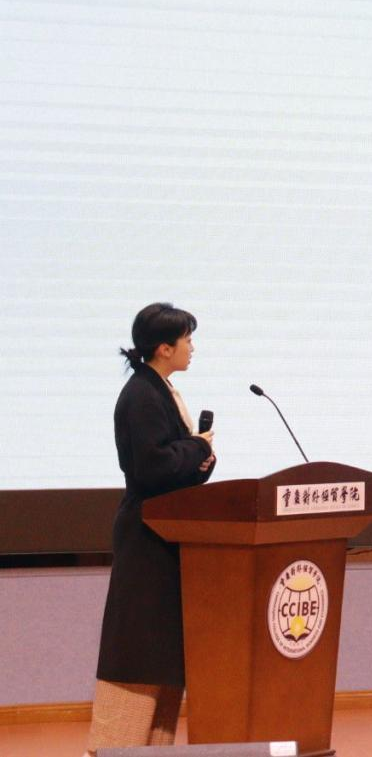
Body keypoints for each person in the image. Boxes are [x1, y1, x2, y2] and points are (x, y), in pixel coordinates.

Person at [86, 303, 216, 755]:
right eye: (187, 339)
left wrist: (200, 457)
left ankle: (154, 747)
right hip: (146, 538)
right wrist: (195, 448)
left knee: (162, 659)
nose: (192, 347)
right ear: (164, 347)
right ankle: (113, 746)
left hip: (168, 535)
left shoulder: (161, 389)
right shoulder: (141, 395)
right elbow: (152, 466)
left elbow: (175, 465)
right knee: (138, 653)